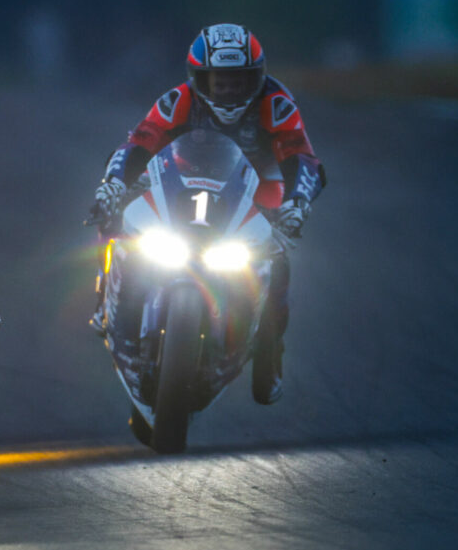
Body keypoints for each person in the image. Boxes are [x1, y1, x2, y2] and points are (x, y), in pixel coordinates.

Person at [89, 23, 325, 405]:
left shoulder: (277, 103)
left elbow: (303, 159)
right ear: (200, 79)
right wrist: (114, 183)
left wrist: (297, 206)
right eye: (220, 82)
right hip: (183, 178)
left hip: (257, 188)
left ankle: (269, 353)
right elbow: (140, 141)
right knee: (119, 220)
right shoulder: (177, 99)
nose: (230, 90)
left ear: (257, 78)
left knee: (277, 261)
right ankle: (110, 306)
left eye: (239, 81)